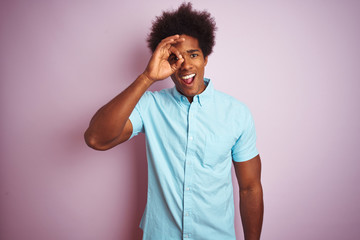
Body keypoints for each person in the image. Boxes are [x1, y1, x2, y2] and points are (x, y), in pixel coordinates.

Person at [84, 3, 263, 240]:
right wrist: (147, 77)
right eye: (175, 57)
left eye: (193, 55)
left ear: (206, 58)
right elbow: (96, 138)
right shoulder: (150, 106)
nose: (186, 65)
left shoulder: (236, 114)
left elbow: (250, 188)